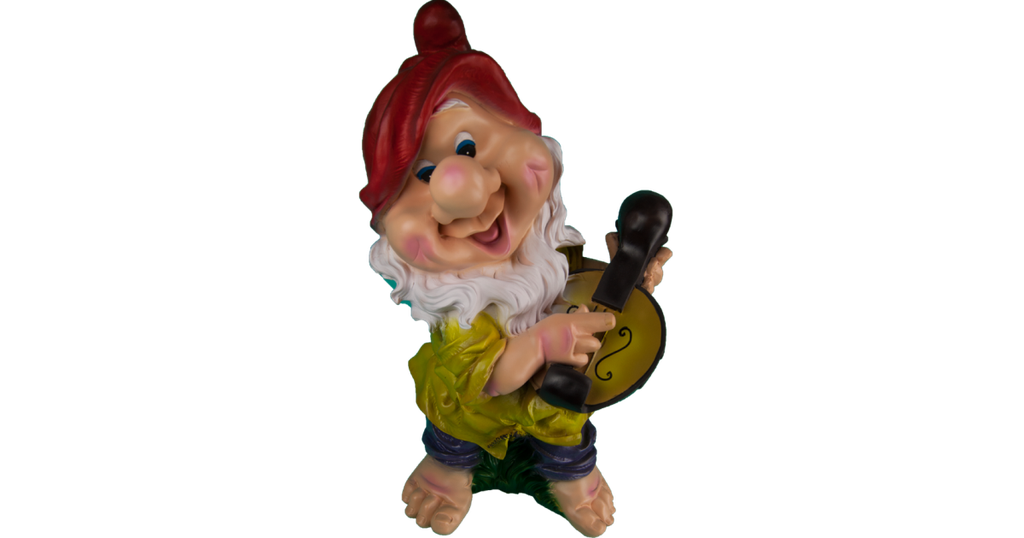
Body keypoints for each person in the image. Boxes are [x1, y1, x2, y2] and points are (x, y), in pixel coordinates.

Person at [359, 2, 671, 536]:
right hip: (474, 406)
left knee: (565, 425)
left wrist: (629, 276)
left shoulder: (544, 248)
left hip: (556, 397)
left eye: (468, 146)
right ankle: (446, 473)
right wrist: (540, 344)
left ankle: (571, 477)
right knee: (454, 425)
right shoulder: (460, 305)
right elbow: (484, 378)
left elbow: (578, 286)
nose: (464, 192)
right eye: (424, 176)